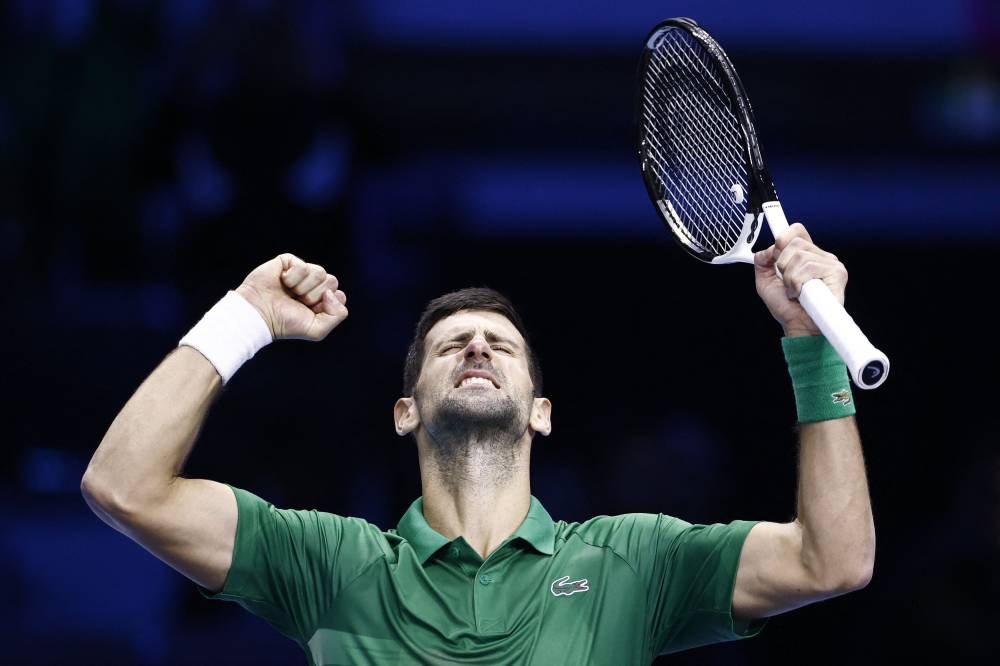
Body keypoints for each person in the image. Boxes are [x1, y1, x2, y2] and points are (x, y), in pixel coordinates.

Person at [82, 223, 875, 664]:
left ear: (542, 413)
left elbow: (832, 561)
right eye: (450, 344)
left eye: (500, 343)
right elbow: (123, 487)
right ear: (405, 412)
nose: (476, 349)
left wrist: (809, 343)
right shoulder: (329, 563)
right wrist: (244, 317)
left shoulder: (635, 562)